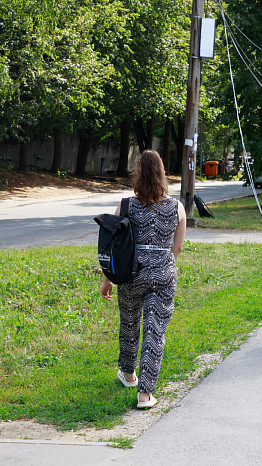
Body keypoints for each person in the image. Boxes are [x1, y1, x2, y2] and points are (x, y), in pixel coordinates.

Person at [100, 150, 186, 409]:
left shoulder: (125, 205)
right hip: (162, 274)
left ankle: (128, 375)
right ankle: (145, 395)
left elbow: (112, 246)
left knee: (129, 324)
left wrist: (107, 279)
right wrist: (159, 263)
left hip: (131, 275)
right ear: (162, 175)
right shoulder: (176, 207)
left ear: (138, 174)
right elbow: (177, 248)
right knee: (154, 330)